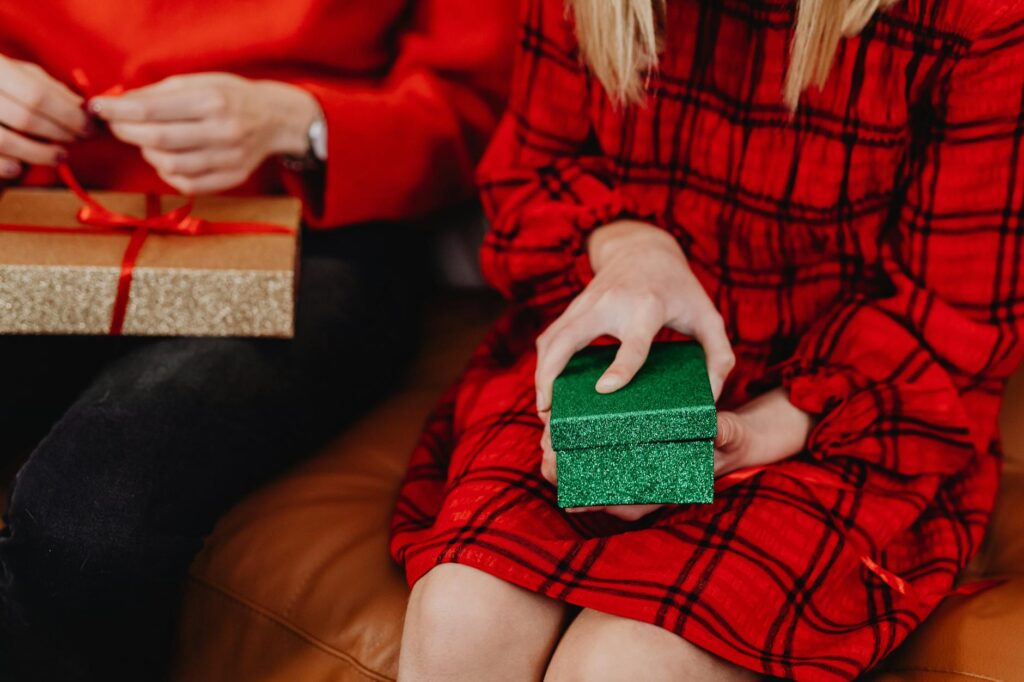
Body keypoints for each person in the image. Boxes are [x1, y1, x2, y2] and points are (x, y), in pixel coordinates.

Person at [389, 0, 1024, 678]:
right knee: (460, 613)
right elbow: (530, 175)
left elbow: (950, 319)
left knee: (622, 667)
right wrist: (633, 247)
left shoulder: (980, 20)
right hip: (621, 350)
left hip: (850, 414)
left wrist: (757, 432)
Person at [0, 1, 516, 680]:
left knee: (96, 512)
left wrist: (299, 121)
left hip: (316, 233)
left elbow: (479, 105)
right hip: (34, 201)